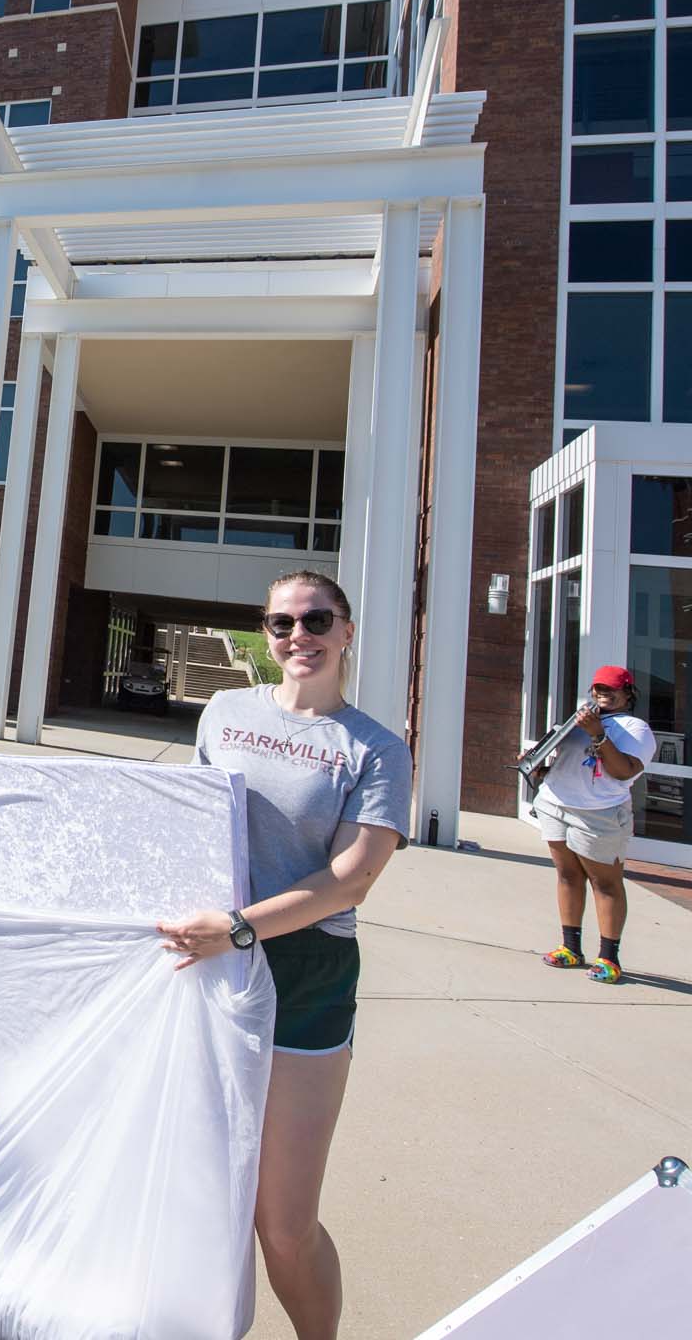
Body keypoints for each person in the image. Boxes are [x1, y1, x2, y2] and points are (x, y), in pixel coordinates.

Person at [156, 569, 408, 1340]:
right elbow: (190, 819)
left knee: (282, 1221)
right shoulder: (225, 711)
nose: (298, 636)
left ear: (346, 633)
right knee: (190, 1188)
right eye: (280, 623)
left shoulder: (375, 748)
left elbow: (351, 880)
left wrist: (237, 928)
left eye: (316, 620)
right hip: (207, 960)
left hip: (306, 973)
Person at [532, 665, 652, 984]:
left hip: (598, 814)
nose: (602, 694)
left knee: (605, 883)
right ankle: (570, 947)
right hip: (556, 805)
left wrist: (598, 733)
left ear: (628, 693)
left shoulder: (635, 729)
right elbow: (568, 764)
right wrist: (535, 765)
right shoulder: (579, 718)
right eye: (598, 688)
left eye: (611, 689)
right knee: (568, 875)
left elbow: (624, 771)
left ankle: (609, 957)